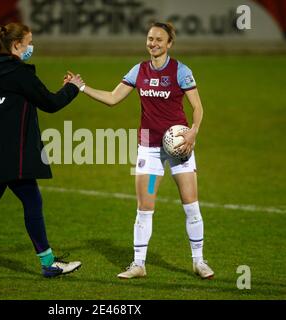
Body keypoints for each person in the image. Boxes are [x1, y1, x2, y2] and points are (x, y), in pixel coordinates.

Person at [78, 22, 214, 279]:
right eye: (150, 38)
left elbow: (198, 107)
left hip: (179, 148)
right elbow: (112, 98)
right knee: (145, 206)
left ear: (169, 44)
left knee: (190, 204)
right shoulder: (138, 70)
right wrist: (82, 88)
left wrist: (194, 130)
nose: (153, 43)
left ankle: (199, 261)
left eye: (159, 39)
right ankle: (139, 264)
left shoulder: (181, 71)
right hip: (150, 149)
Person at [0, 22, 84, 278]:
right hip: (12, 153)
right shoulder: (18, 73)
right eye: (28, 42)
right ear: (15, 45)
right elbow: (50, 103)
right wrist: (73, 87)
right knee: (32, 201)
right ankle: (48, 264)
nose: (30, 47)